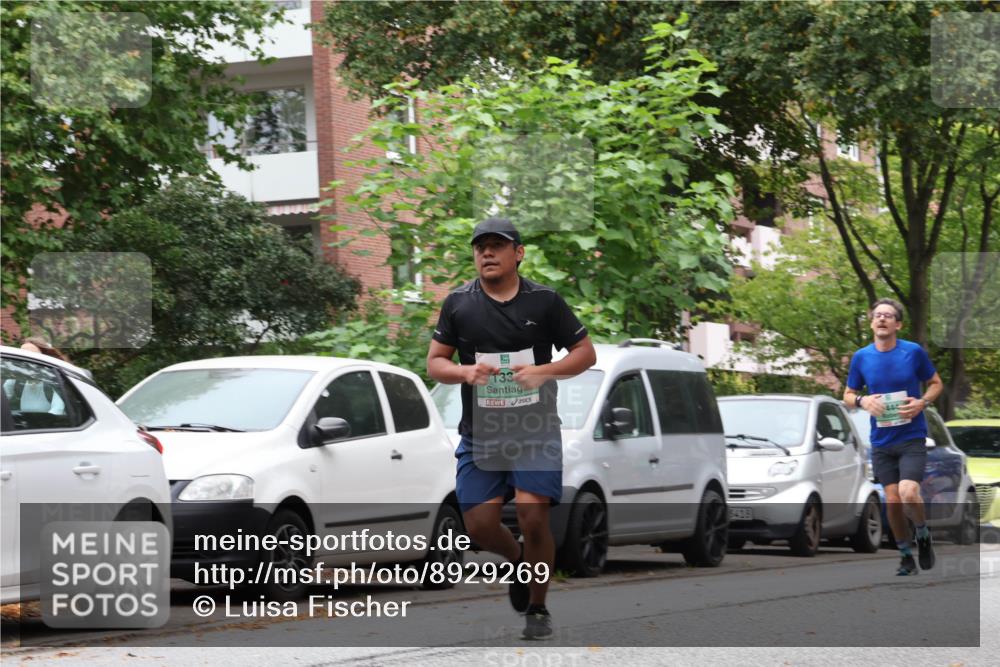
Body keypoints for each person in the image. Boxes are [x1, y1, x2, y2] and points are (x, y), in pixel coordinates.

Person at [427, 217, 596, 640]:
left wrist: (544, 371)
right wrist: (464, 373)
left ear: (517, 253)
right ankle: (519, 560)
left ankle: (538, 608)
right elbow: (435, 362)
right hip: (481, 432)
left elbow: (585, 353)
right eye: (480, 247)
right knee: (479, 526)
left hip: (535, 429)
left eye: (497, 246)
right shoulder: (459, 304)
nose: (486, 253)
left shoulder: (544, 302)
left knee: (531, 513)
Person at [844, 298, 944, 576]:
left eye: (888, 315)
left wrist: (922, 402)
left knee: (907, 491)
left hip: (911, 437)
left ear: (897, 324)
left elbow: (936, 383)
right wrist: (863, 401)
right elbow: (848, 395)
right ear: (872, 322)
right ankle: (904, 556)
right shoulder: (861, 357)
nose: (882, 319)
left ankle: (922, 535)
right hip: (881, 442)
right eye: (878, 315)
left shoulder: (912, 352)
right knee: (892, 500)